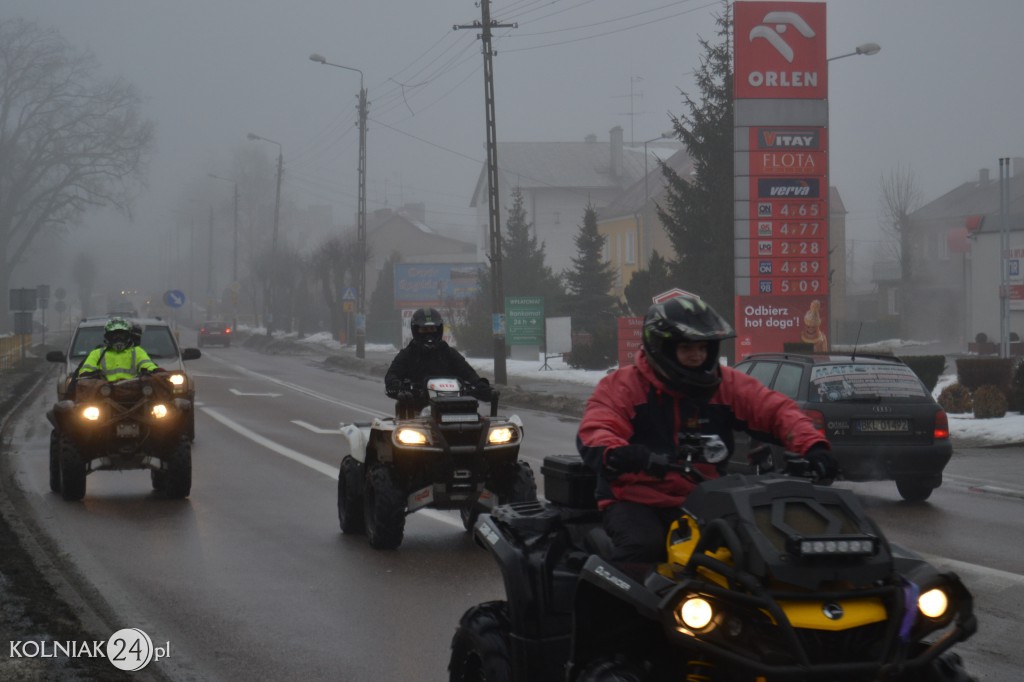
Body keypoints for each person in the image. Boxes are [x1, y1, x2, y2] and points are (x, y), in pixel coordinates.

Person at [576, 294, 836, 567]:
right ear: (661, 347)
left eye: (703, 347)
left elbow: (775, 410)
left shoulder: (725, 384)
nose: (697, 355)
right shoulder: (624, 385)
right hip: (637, 499)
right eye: (687, 347)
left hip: (706, 497)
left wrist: (814, 447)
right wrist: (620, 454)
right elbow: (598, 427)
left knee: (758, 551)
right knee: (643, 548)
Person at [385, 308, 492, 413]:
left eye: (432, 329)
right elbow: (391, 375)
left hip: (453, 409)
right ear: (416, 330)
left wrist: (481, 387)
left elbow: (469, 373)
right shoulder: (407, 355)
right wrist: (399, 387)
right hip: (417, 411)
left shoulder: (449, 353)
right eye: (424, 330)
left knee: (482, 420)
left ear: (439, 329)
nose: (429, 334)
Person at [77, 317, 162, 382]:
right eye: (114, 336)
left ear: (128, 336)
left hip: (134, 392)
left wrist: (155, 370)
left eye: (122, 335)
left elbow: (147, 364)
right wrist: (91, 375)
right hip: (103, 393)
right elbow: (85, 371)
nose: (118, 339)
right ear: (108, 337)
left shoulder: (137, 351)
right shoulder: (97, 353)